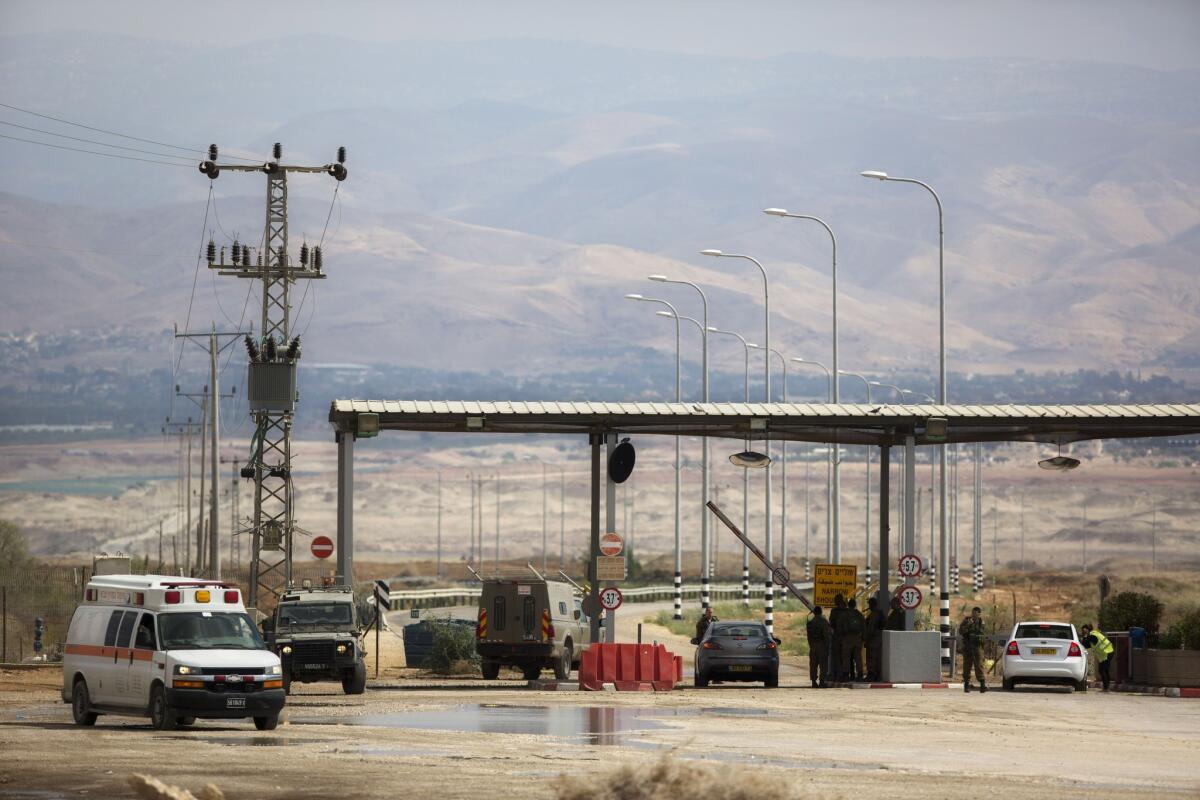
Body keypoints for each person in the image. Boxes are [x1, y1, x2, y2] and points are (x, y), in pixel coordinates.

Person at [959, 606, 988, 693]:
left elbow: (981, 632)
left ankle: (982, 686)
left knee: (979, 666)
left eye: (975, 613)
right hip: (968, 647)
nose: (973, 615)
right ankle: (966, 686)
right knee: (967, 666)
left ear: (979, 614)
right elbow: (961, 631)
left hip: (977, 648)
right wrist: (968, 624)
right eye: (973, 613)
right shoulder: (967, 620)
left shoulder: (981, 622)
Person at [1080, 623, 1114, 690]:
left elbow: (1084, 643)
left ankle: (1106, 687)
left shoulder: (1092, 635)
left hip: (1107, 652)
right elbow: (1087, 646)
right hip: (1106, 653)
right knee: (1105, 670)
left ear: (1087, 629)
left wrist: (1084, 636)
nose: (1083, 632)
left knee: (1102, 670)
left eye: (1083, 630)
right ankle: (1107, 687)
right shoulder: (1093, 634)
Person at [806, 606, 832, 688]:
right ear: (821, 612)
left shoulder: (810, 622)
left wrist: (811, 645)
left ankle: (813, 682)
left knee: (813, 664)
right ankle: (822, 681)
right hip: (822, 645)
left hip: (813, 645)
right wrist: (828, 645)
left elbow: (809, 637)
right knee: (823, 664)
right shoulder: (823, 622)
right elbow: (826, 635)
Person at [841, 598, 866, 681]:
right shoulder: (859, 614)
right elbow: (864, 627)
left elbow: (839, 626)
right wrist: (863, 638)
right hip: (857, 638)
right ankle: (860, 675)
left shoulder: (845, 614)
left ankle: (845, 675)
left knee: (846, 657)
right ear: (855, 605)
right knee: (858, 658)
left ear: (848, 605)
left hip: (847, 638)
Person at [864, 596, 886, 682]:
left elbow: (870, 629)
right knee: (878, 658)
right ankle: (878, 675)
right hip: (879, 639)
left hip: (873, 639)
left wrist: (866, 639)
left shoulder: (874, 615)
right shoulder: (880, 613)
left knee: (871, 658)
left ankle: (872, 675)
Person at [829, 593, 848, 680]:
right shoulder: (848, 611)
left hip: (837, 636)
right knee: (846, 656)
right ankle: (846, 675)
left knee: (836, 655)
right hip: (847, 637)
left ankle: (837, 674)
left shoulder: (834, 611)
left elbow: (831, 624)